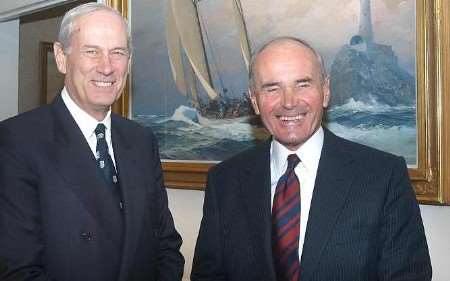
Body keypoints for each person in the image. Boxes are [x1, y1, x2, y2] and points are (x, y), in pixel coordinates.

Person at [191, 37, 431, 281]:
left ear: (325, 91)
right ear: (254, 101)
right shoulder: (224, 182)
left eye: (302, 84)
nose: (289, 102)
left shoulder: (384, 177)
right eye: (272, 88)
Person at [0, 3, 184, 281]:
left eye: (118, 53)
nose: (107, 67)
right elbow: (18, 269)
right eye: (92, 51)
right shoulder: (17, 141)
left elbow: (166, 247)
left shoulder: (142, 141)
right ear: (61, 57)